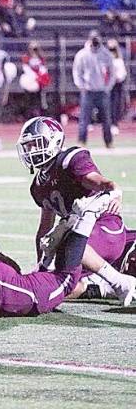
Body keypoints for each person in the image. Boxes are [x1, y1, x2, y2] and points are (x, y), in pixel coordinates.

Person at [16, 116, 136, 306]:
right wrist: (42, 268)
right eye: (28, 146)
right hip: (85, 242)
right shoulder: (37, 186)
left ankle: (120, 282)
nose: (31, 151)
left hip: (106, 228)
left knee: (67, 247)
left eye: (35, 144)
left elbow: (98, 181)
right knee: (56, 283)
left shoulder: (69, 160)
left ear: (53, 141)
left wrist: (114, 189)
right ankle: (101, 287)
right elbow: (44, 230)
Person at [72, 30, 115, 148]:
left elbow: (112, 72)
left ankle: (108, 142)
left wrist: (108, 87)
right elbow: (77, 72)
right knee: (84, 119)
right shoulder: (82, 54)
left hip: (102, 91)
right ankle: (82, 141)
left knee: (106, 119)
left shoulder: (106, 54)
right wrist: (81, 86)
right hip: (88, 91)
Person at [107, 38, 127, 135]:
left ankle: (114, 124)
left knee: (115, 105)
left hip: (117, 85)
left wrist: (117, 78)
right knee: (108, 105)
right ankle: (109, 124)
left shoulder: (118, 60)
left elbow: (123, 73)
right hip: (107, 85)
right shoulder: (106, 60)